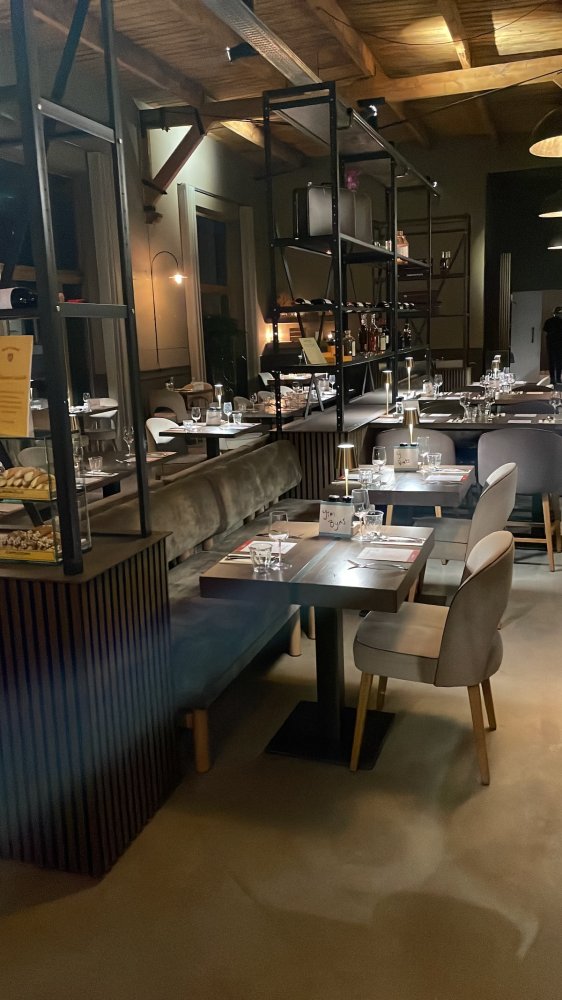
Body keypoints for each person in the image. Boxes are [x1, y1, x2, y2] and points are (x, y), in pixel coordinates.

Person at [543, 305, 562, 385]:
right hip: (560, 344)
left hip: (551, 344)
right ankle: (558, 378)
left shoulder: (549, 321)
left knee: (552, 362)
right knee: (559, 362)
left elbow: (545, 332)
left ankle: (552, 379)